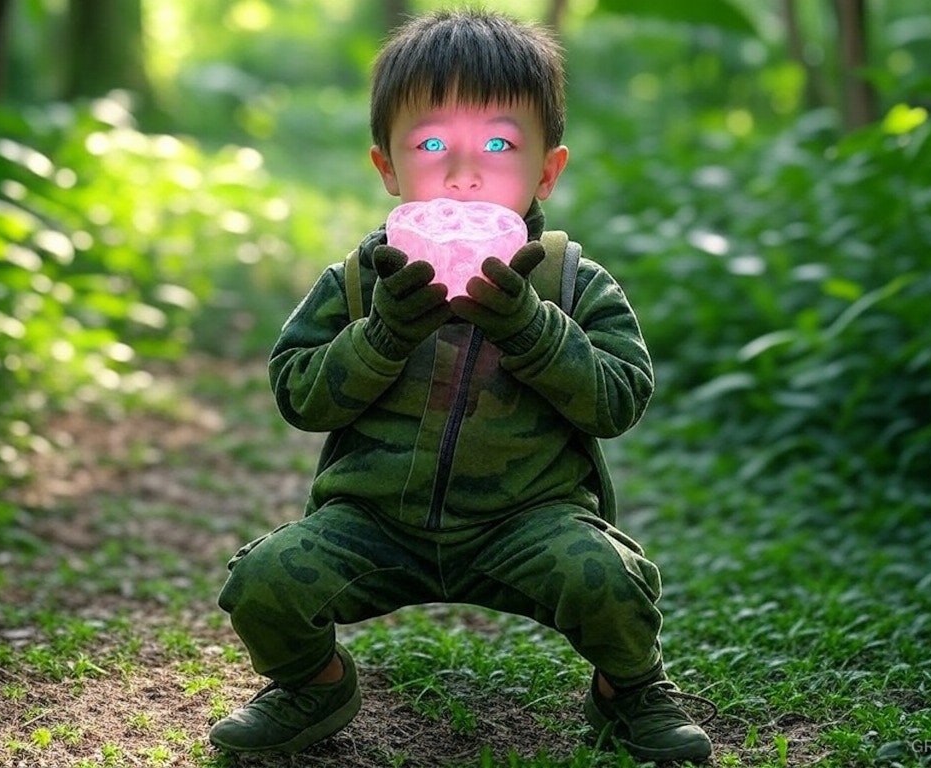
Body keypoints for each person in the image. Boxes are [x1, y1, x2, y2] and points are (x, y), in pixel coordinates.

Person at [209, 8, 714, 763]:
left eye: (501, 144)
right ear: (387, 167)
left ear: (548, 169)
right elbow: (298, 393)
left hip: (527, 520)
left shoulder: (572, 282)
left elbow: (618, 399)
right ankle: (313, 683)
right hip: (373, 522)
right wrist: (383, 334)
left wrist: (530, 326)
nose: (463, 172)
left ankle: (628, 692)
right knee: (263, 581)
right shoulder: (358, 282)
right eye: (433, 143)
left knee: (611, 579)